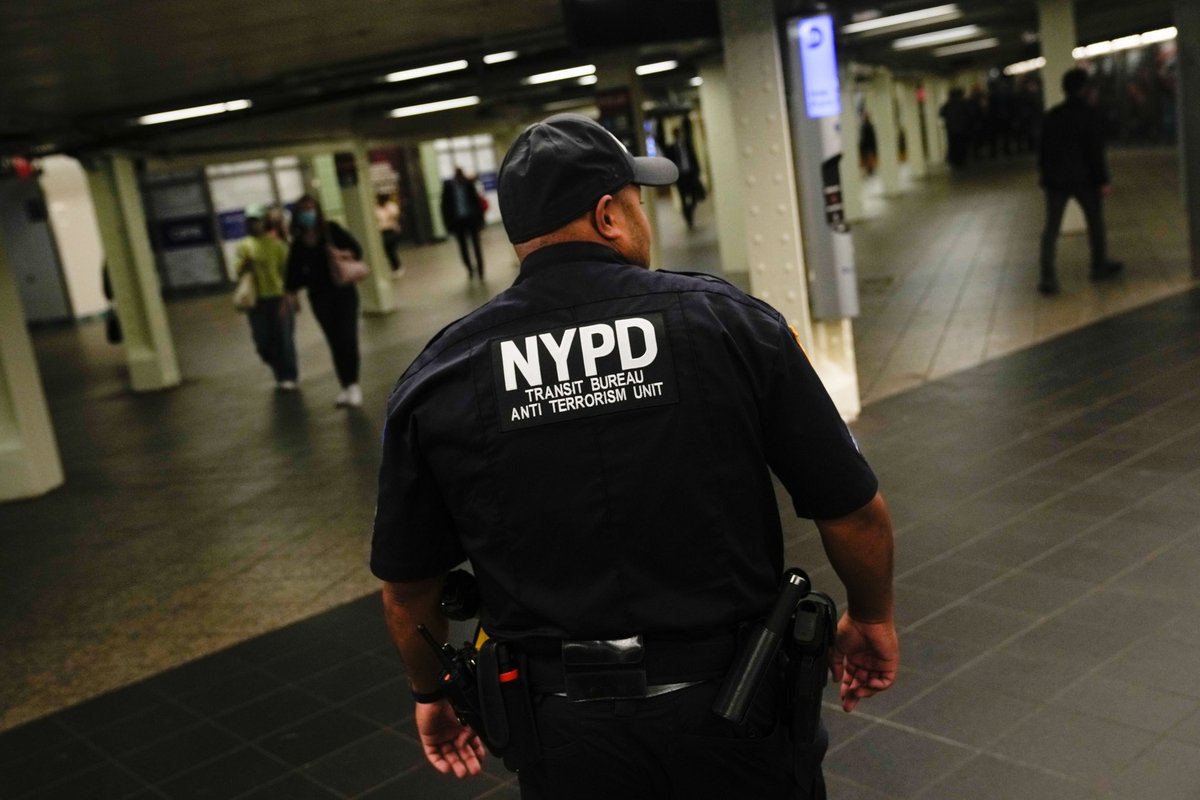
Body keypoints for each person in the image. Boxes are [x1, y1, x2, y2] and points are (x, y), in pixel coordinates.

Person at [371, 113, 898, 799]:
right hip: (735, 709)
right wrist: (873, 616)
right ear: (608, 216)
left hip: (563, 733)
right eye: (637, 202)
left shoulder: (440, 375)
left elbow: (408, 590)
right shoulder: (729, 325)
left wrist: (432, 693)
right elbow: (853, 514)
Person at [1037, 68, 1124, 296]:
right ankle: (1098, 266)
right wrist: (1103, 181)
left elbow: (1042, 151)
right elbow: (1095, 152)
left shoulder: (1052, 115)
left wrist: (1045, 175)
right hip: (1084, 179)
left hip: (1055, 180)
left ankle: (1048, 278)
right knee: (1095, 223)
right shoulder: (1090, 114)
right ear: (1085, 89)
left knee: (1051, 229)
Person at [284, 194, 364, 407]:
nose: (307, 214)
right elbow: (292, 277)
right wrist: (292, 294)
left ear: (317, 211)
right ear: (298, 215)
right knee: (335, 341)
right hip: (319, 298)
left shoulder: (332, 230)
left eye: (311, 209)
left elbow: (357, 250)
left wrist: (340, 253)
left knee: (348, 337)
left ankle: (354, 384)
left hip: (344, 293)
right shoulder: (298, 244)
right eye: (303, 211)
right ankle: (346, 386)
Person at [236, 205, 297, 391]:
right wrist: (245, 264)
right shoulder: (244, 245)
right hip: (256, 300)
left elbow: (287, 273)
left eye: (259, 220)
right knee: (262, 340)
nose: (256, 225)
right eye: (252, 221)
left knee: (284, 338)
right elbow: (238, 272)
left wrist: (290, 298)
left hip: (278, 297)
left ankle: (287, 376)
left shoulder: (277, 245)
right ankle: (275, 364)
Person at [440, 168, 487, 279]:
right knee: (463, 247)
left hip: (471, 220)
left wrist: (480, 221)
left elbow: (477, 203)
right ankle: (470, 268)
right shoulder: (449, 188)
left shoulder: (468, 185)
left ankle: (480, 269)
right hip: (458, 222)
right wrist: (448, 224)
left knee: (476, 245)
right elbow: (444, 207)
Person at [664, 122, 706, 229]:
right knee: (683, 199)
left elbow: (693, 158)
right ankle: (688, 219)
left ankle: (689, 213)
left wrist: (697, 172)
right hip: (680, 178)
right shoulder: (672, 148)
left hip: (690, 175)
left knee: (694, 197)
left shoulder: (687, 144)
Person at [940, 88, 970, 169]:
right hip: (962, 128)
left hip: (951, 129)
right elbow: (968, 114)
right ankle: (961, 160)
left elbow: (941, 113)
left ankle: (955, 160)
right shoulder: (963, 103)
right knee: (961, 145)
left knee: (953, 145)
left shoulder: (948, 104)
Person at [376, 192, 403, 272]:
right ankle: (393, 266)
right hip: (382, 231)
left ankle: (396, 266)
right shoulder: (376, 208)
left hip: (391, 230)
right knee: (387, 250)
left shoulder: (391, 206)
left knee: (391, 249)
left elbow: (395, 216)